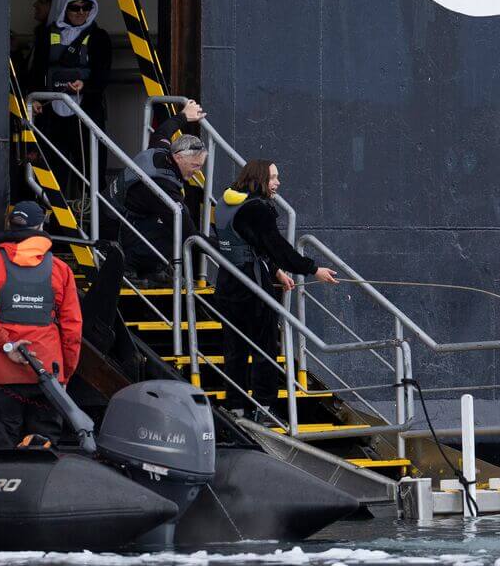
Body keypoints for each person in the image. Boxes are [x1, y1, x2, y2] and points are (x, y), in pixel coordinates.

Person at [217, 161, 339, 417]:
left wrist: (275, 271)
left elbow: (246, 242)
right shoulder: (257, 210)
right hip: (253, 287)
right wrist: (313, 269)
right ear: (259, 178)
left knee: (235, 349)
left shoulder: (228, 202)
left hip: (228, 283)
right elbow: (278, 248)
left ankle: (236, 406)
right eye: (273, 177)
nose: (278, 182)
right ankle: (264, 407)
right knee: (265, 347)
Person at [0, 201, 83, 448]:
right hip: (47, 376)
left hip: (0, 377)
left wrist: (8, 345)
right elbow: (72, 329)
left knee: (1, 448)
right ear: (40, 226)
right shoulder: (61, 270)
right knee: (44, 450)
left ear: (11, 226)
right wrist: (64, 373)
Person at [115, 130, 209, 283]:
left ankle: (154, 268)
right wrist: (225, 249)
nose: (198, 171)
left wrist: (184, 116)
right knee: (177, 221)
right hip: (122, 229)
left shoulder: (162, 151)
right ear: (178, 158)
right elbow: (189, 234)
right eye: (195, 165)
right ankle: (131, 269)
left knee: (174, 218)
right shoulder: (164, 184)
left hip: (124, 220)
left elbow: (162, 132)